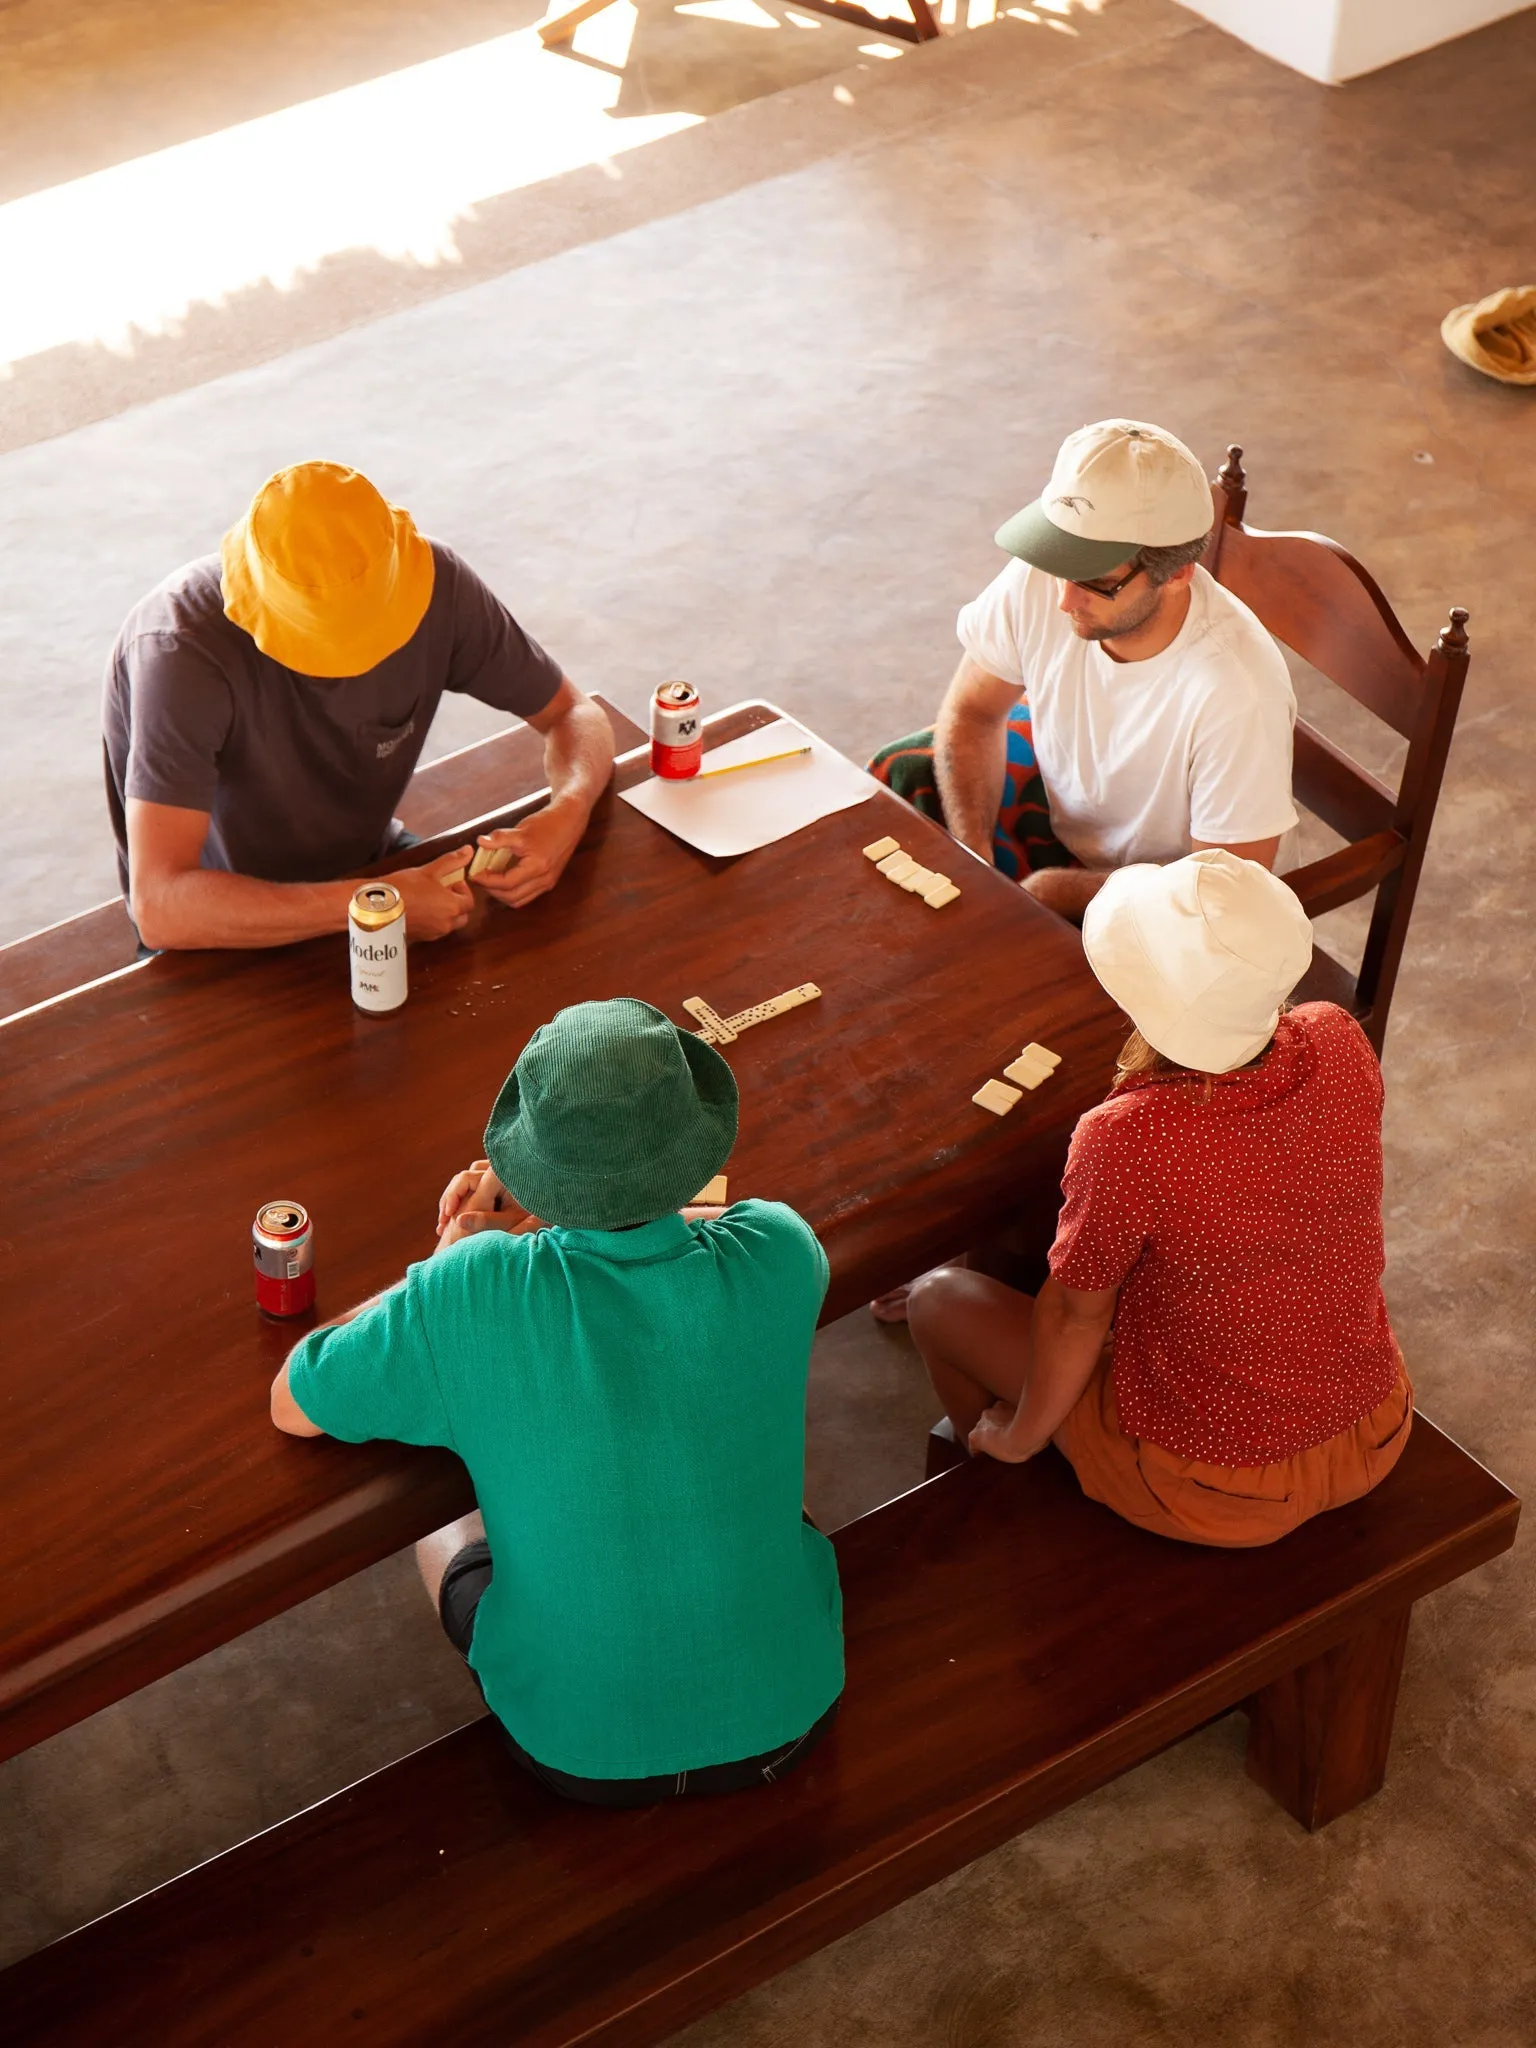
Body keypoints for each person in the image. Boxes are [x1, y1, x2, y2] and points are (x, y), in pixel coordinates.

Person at [269, 997, 844, 1804]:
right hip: (790, 1710)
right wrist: (565, 1204)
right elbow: (695, 1229)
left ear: (531, 1160)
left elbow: (295, 1395)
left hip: (578, 1748)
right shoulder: (781, 1250)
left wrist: (452, 1257)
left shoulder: (468, 1294)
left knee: (443, 1526)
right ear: (699, 1135)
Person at [907, 851, 1413, 1547]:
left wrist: (1021, 1433)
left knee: (936, 1301)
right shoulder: (1337, 1035)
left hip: (1216, 1485)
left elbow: (1075, 1320)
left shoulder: (1127, 1138)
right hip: (1372, 1422)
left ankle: (1009, 1499)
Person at [104, 460, 614, 951]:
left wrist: (568, 810)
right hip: (222, 917)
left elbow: (575, 714)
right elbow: (162, 906)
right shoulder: (180, 650)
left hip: (369, 864)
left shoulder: (439, 585)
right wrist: (373, 904)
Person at [868, 420, 1300, 924]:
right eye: (1059, 561)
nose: (1063, 599)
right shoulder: (1047, 578)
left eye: (1098, 582)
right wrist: (976, 860)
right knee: (904, 771)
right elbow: (975, 713)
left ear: (1178, 573)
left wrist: (1056, 892)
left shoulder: (1236, 693)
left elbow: (1221, 895)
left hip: (1178, 898)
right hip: (1068, 816)